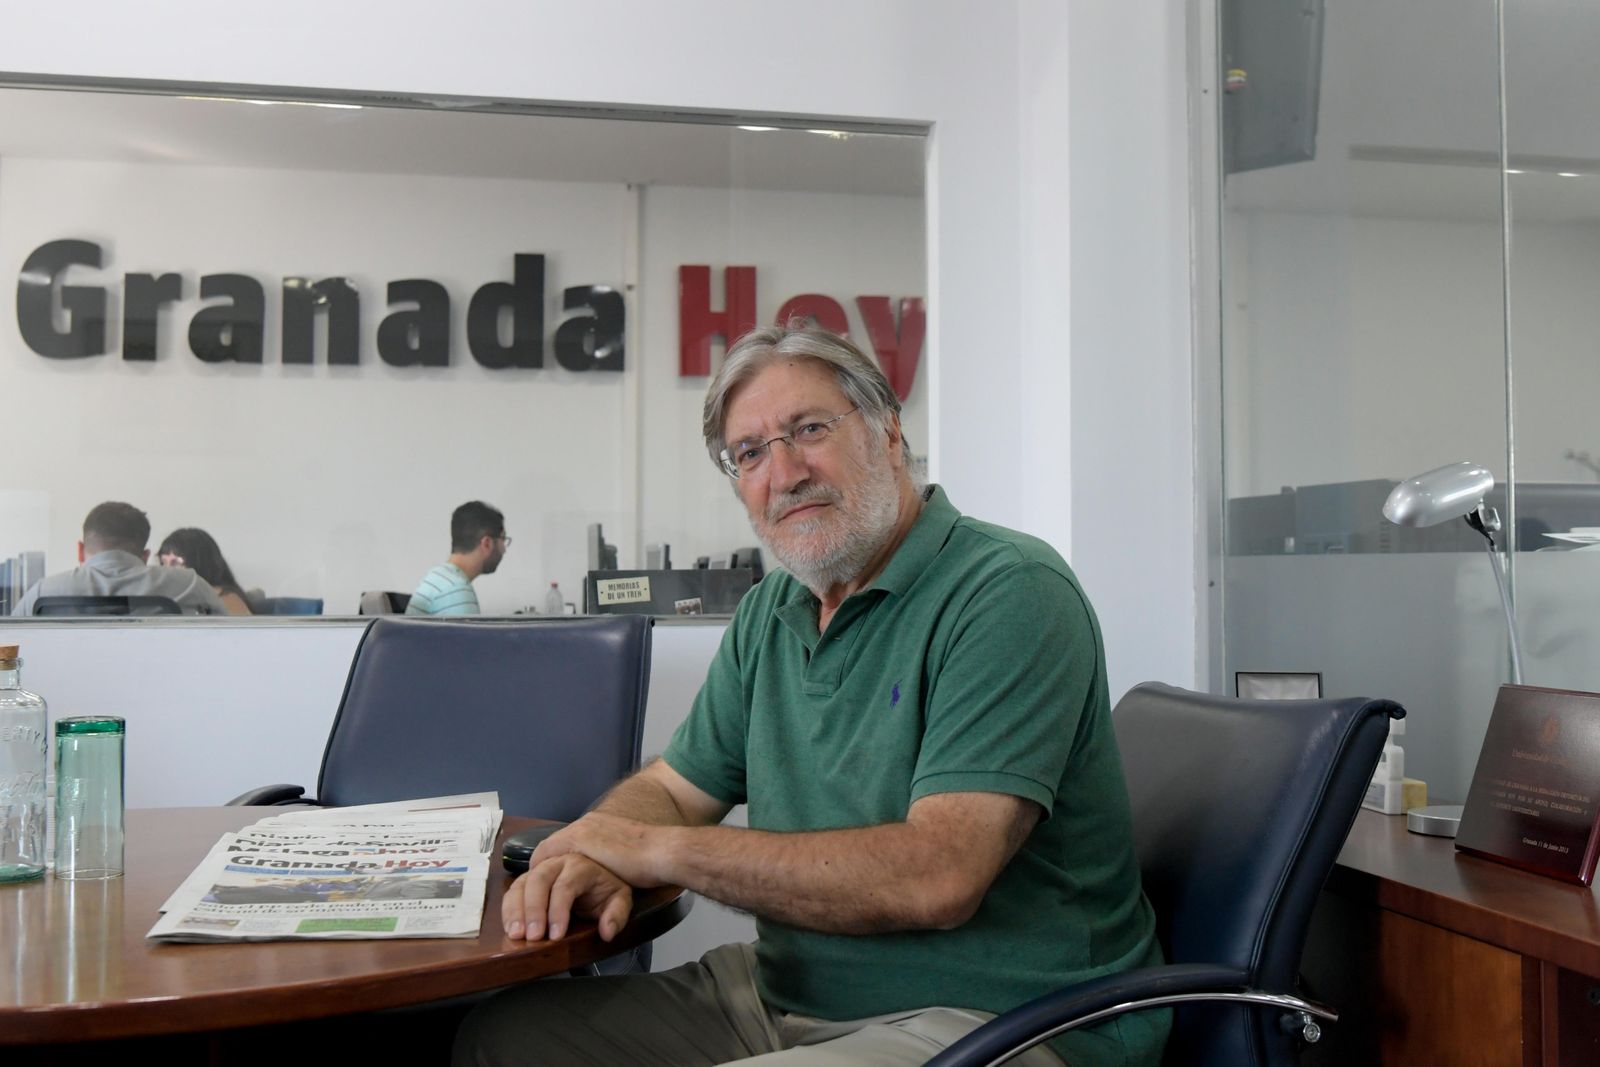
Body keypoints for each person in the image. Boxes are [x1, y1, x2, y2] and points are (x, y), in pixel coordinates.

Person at [454, 326, 1168, 1067]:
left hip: (994, 1016)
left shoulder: (1008, 591)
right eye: (750, 452)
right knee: (503, 1040)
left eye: (810, 430)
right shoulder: (771, 610)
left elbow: (939, 875)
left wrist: (653, 850)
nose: (785, 472)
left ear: (889, 433)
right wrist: (596, 851)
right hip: (785, 994)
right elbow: (671, 789)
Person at [12, 501, 226, 616]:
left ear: (80, 550)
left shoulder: (43, 592)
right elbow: (229, 644)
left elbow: (8, 653)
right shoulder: (190, 585)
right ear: (145, 556)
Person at [405, 501, 509, 616]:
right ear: (487, 543)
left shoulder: (438, 576)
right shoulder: (456, 590)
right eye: (503, 539)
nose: (504, 549)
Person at [156, 527, 254, 616]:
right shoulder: (169, 598)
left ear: (200, 562)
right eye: (163, 563)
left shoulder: (227, 599)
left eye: (176, 563)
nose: (166, 570)